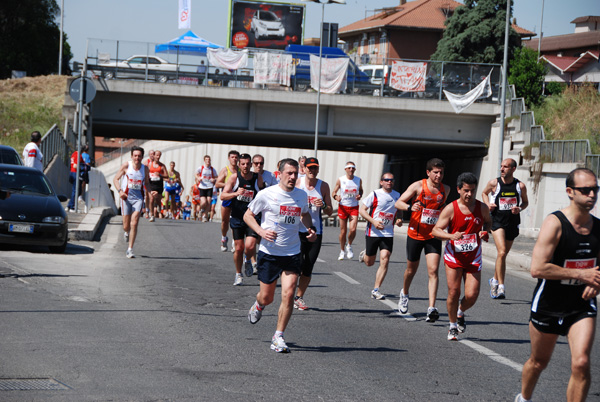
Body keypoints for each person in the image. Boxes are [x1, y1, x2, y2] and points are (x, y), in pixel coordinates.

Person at [516, 168, 600, 402]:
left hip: (581, 305)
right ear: (570, 192)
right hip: (549, 303)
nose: (592, 195)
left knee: (581, 362)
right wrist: (583, 275)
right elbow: (537, 268)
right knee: (539, 361)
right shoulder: (555, 223)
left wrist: (598, 282)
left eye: (595, 189)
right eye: (585, 190)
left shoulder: (599, 228)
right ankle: (524, 398)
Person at [244, 158, 317, 353]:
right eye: (289, 173)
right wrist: (260, 232)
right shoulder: (267, 194)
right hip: (270, 253)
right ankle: (259, 305)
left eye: (295, 173)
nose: (293, 177)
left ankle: (278, 336)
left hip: (292, 251)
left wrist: (310, 228)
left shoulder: (301, 196)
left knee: (289, 293)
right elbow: (248, 215)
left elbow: (304, 214)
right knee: (267, 297)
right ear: (280, 173)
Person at [432, 172, 491, 341]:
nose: (469, 194)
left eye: (472, 190)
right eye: (466, 190)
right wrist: (451, 236)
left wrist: (485, 231)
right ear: (458, 189)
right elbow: (435, 230)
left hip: (473, 256)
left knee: (472, 295)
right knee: (454, 292)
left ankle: (460, 312)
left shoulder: (482, 208)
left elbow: (488, 221)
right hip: (454, 256)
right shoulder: (451, 208)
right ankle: (452, 326)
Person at [395, 158, 450, 322]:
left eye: (441, 172)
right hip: (415, 234)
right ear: (428, 172)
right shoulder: (418, 186)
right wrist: (410, 208)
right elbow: (398, 202)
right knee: (411, 270)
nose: (439, 175)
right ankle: (404, 293)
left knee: (433, 271)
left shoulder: (445, 189)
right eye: (435, 172)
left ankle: (431, 308)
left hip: (433, 235)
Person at [482, 158, 529, 299]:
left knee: (503, 255)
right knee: (501, 252)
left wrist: (519, 208)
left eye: (506, 167)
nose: (502, 169)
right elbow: (484, 193)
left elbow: (525, 202)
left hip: (512, 222)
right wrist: (488, 204)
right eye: (501, 166)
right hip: (497, 222)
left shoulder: (520, 186)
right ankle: (501, 287)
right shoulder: (494, 183)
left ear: (513, 169)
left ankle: (494, 280)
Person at [294, 157, 333, 310]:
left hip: (315, 231)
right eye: (309, 168)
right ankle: (289, 291)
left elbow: (330, 211)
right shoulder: (298, 183)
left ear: (318, 169)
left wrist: (323, 205)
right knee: (295, 264)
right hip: (297, 229)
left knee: (308, 266)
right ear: (304, 169)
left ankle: (299, 297)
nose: (312, 171)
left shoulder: (323, 186)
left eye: (315, 168)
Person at [221, 153, 264, 286]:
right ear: (239, 165)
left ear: (251, 165)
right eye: (243, 164)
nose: (245, 166)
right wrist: (235, 193)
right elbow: (223, 195)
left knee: (250, 246)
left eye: (247, 164)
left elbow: (263, 193)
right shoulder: (234, 178)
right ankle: (238, 274)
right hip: (237, 217)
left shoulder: (257, 178)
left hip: (252, 217)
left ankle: (247, 260)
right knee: (239, 248)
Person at [358, 173, 402, 300]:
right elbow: (362, 210)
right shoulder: (375, 194)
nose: (389, 182)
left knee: (385, 258)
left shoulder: (397, 195)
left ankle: (376, 289)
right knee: (369, 263)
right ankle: (366, 254)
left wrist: (399, 219)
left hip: (388, 233)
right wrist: (374, 222)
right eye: (386, 180)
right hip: (373, 232)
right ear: (381, 182)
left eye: (391, 180)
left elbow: (399, 211)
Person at [112, 146, 150, 258]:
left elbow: (147, 183)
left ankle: (130, 249)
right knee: (126, 225)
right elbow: (115, 179)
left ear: (142, 157)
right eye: (135, 156)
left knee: (135, 222)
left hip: (138, 198)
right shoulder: (126, 166)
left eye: (139, 156)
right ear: (132, 156)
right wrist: (120, 191)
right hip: (126, 198)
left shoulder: (145, 169)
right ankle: (126, 232)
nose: (137, 158)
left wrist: (151, 191)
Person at [332, 162, 363, 260]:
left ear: (355, 169)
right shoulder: (341, 180)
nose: (351, 170)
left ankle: (349, 245)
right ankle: (342, 251)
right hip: (343, 207)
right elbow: (334, 192)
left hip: (354, 207)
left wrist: (360, 195)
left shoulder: (358, 180)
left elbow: (361, 190)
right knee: (343, 231)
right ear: (345, 169)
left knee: (353, 229)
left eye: (353, 168)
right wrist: (336, 197)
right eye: (349, 168)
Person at [215, 150, 240, 251]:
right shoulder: (225, 170)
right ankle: (224, 237)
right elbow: (217, 184)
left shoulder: (240, 170)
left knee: (236, 220)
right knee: (225, 221)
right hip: (227, 197)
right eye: (232, 157)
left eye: (236, 157)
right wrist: (229, 184)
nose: (234, 159)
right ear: (229, 158)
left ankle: (235, 241)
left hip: (237, 198)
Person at [147, 150, 168, 222]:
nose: (158, 157)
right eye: (157, 155)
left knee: (158, 200)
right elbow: (146, 172)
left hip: (159, 185)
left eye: (159, 155)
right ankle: (152, 215)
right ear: (154, 156)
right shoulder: (150, 164)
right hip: (151, 184)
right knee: (152, 199)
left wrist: (160, 174)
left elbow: (167, 175)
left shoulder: (162, 166)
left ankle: (159, 207)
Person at [196, 155, 218, 222]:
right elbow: (196, 174)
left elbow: (217, 177)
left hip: (210, 186)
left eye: (209, 159)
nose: (208, 161)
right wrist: (198, 178)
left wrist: (214, 179)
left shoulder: (212, 169)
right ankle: (201, 210)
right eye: (206, 159)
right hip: (202, 186)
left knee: (209, 202)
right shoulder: (201, 168)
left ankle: (204, 216)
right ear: (204, 161)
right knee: (204, 202)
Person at [143, 150, 155, 218]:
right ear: (149, 155)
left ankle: (151, 211)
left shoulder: (156, 162)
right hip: (147, 181)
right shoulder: (146, 162)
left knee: (152, 197)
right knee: (147, 196)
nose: (152, 155)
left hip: (154, 182)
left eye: (153, 154)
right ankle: (147, 211)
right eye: (151, 154)